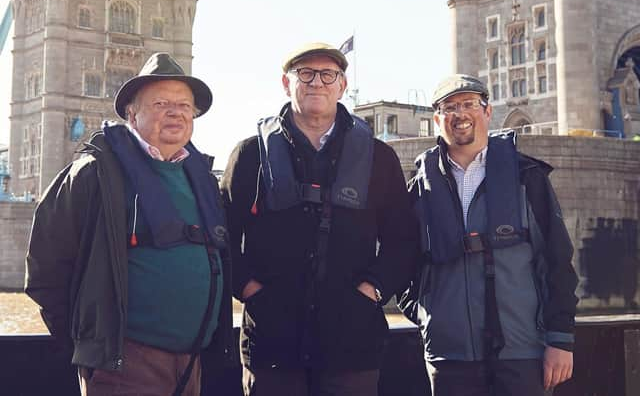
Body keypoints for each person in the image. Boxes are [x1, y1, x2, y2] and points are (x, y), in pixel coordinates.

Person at [25, 52, 233, 396]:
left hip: (194, 362)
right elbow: (46, 266)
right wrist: (91, 344)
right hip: (125, 365)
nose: (176, 112)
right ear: (132, 115)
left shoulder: (203, 180)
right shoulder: (94, 173)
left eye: (184, 105)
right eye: (162, 103)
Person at [221, 42, 419, 396]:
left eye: (328, 75)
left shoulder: (379, 157)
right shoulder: (250, 156)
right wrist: (251, 291)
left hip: (352, 345)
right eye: (306, 74)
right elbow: (221, 238)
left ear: (342, 86)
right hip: (272, 346)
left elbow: (402, 240)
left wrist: (371, 292)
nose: (317, 83)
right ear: (286, 83)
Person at [399, 74, 578, 396]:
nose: (460, 114)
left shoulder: (528, 177)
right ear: (437, 118)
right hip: (449, 355)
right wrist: (429, 316)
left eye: (469, 104)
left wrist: (560, 338)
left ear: (487, 111)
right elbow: (403, 261)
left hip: (522, 352)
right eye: (449, 107)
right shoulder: (420, 188)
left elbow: (558, 262)